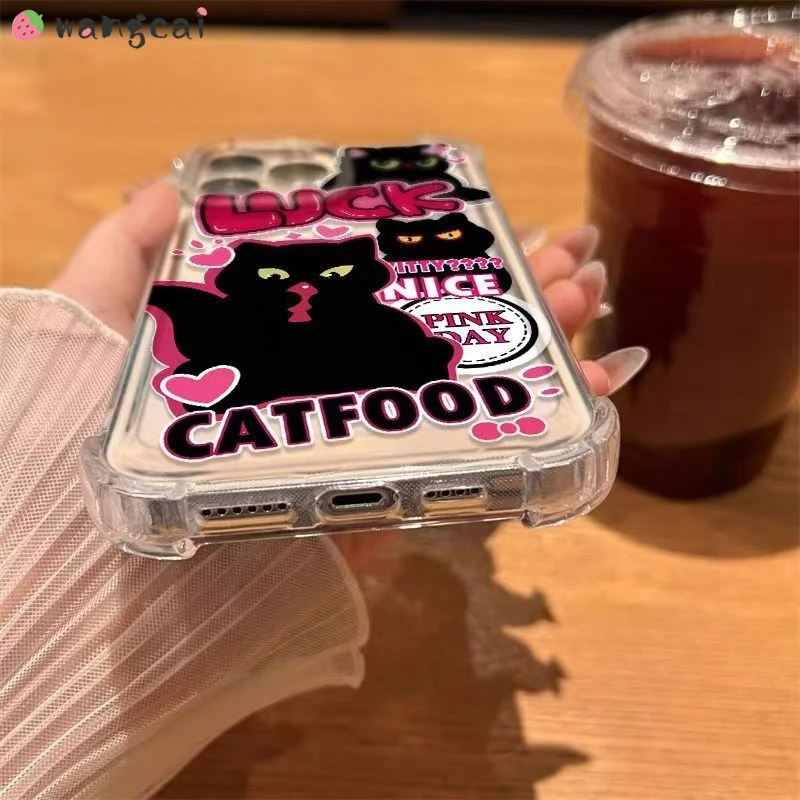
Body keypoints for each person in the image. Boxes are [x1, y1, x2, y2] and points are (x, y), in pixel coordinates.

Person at [0, 181, 648, 800]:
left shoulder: (386, 331)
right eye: (275, 275)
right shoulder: (229, 330)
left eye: (335, 273)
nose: (305, 286)